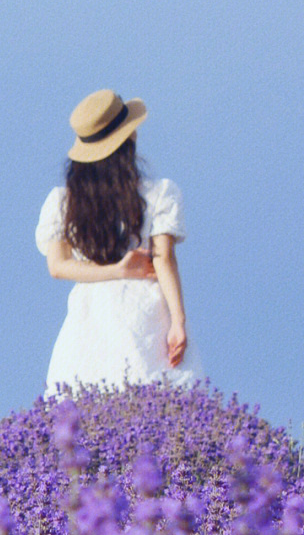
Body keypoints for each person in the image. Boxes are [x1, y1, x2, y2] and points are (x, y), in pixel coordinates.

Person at [35, 88, 203, 394]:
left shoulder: (62, 202)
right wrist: (178, 321)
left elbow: (58, 267)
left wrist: (115, 271)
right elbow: (163, 259)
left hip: (90, 316)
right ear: (128, 139)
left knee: (83, 409)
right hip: (146, 312)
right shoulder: (160, 193)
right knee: (161, 405)